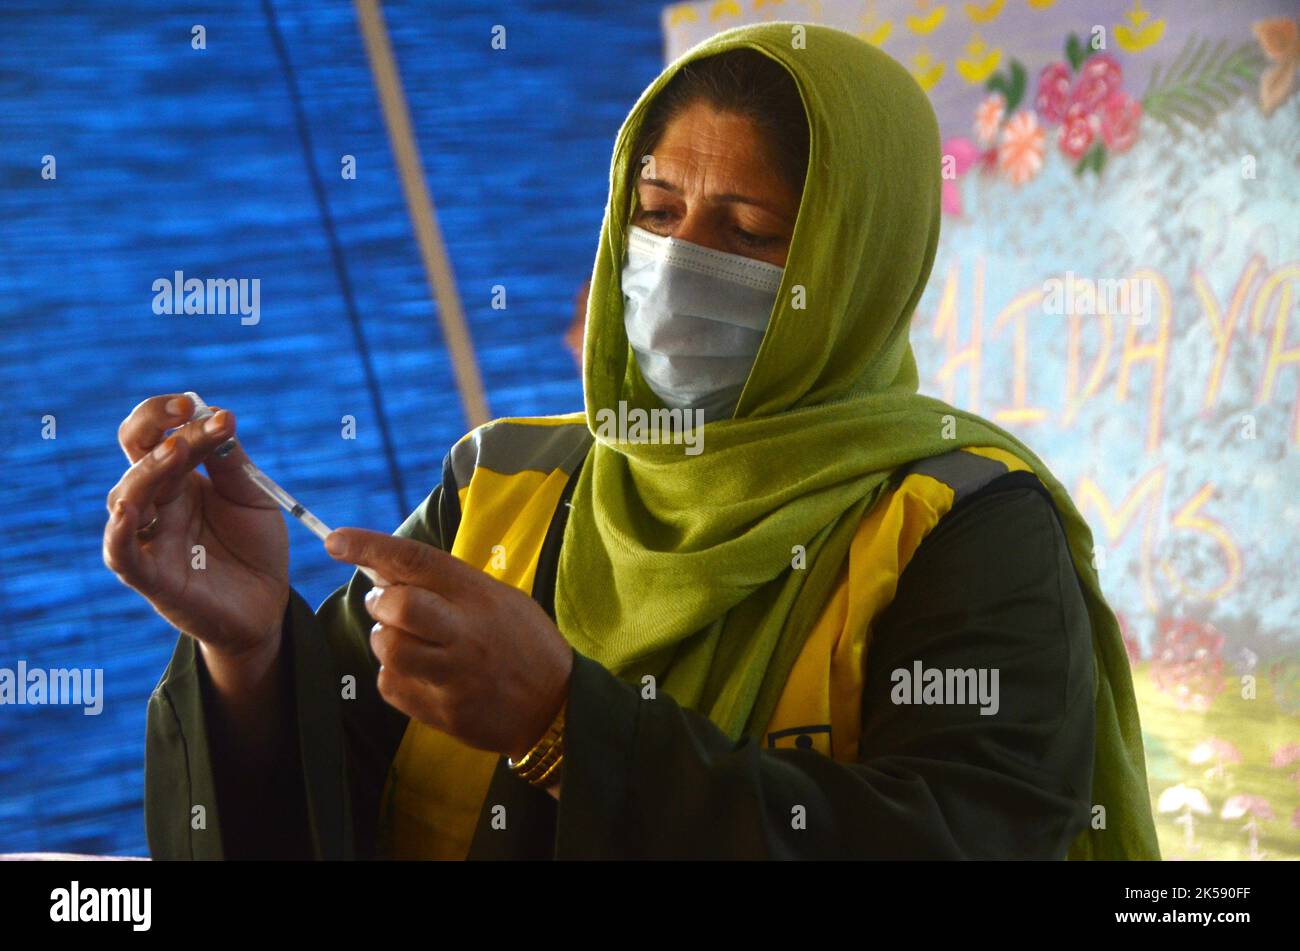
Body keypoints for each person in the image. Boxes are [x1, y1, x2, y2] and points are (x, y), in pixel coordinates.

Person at [104, 23, 1161, 860]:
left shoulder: (959, 527)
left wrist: (568, 722)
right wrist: (246, 650)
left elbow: (958, 842)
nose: (680, 263)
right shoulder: (503, 482)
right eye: (654, 211)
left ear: (855, 269)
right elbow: (328, 787)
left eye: (749, 235)